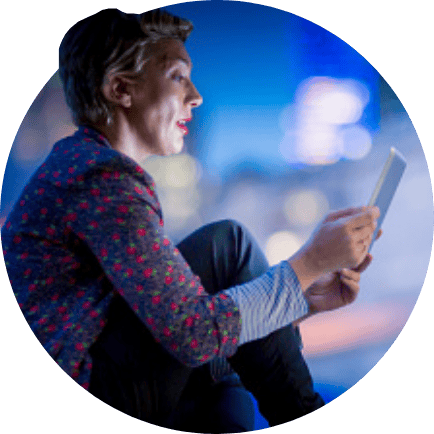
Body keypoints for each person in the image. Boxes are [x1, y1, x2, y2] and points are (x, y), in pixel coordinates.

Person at [1, 8, 381, 432]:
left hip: (95, 377)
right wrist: (308, 263)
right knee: (227, 246)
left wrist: (300, 301)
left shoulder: (87, 167)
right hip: (87, 386)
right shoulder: (100, 176)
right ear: (121, 89)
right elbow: (195, 333)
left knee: (223, 380)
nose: (195, 95)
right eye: (178, 76)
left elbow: (189, 320)